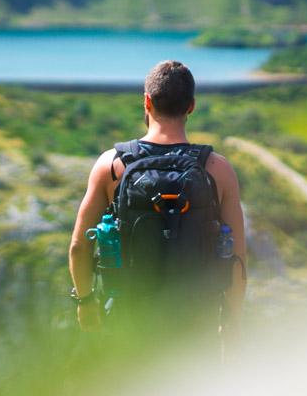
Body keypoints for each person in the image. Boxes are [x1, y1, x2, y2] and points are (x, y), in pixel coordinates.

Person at [68, 60, 247, 352]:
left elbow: (79, 246)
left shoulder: (112, 165)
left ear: (147, 102)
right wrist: (233, 321)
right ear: (191, 106)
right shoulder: (217, 169)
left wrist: (86, 304)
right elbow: (237, 255)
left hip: (127, 321)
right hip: (195, 323)